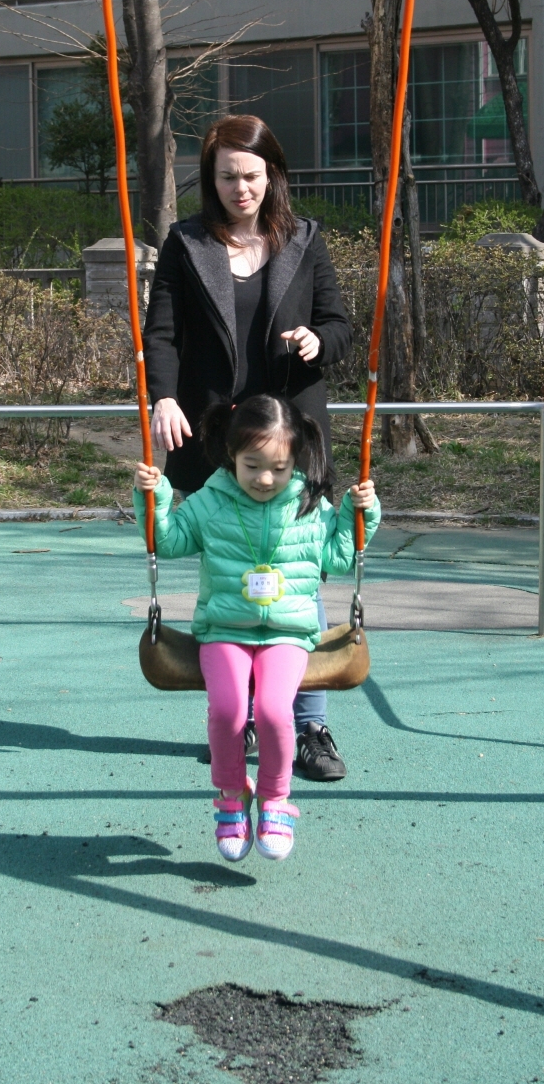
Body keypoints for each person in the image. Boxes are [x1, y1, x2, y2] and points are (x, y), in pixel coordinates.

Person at [143, 114, 354, 783]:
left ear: (273, 175)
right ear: (211, 180)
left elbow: (339, 324)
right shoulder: (186, 243)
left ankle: (308, 722)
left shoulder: (305, 239)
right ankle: (237, 717)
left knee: (301, 568)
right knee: (229, 569)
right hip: (216, 433)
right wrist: (163, 397)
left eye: (253, 175)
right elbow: (161, 333)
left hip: (292, 431)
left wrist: (318, 342)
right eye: (228, 176)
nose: (242, 189)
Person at [135, 395, 380, 862]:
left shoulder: (309, 506)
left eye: (279, 468)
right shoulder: (211, 502)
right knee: (229, 713)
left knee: (272, 711)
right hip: (224, 629)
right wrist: (156, 498)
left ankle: (274, 798)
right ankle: (232, 796)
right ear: (232, 456)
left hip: (287, 632)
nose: (265, 479)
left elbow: (340, 558)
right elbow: (167, 541)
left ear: (295, 462)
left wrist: (357, 514)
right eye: (252, 466)